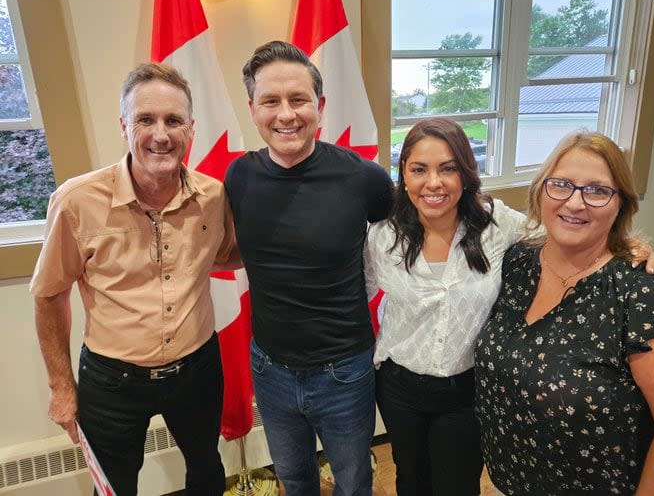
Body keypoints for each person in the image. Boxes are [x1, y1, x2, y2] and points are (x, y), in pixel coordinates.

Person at [363, 119, 654, 496]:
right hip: (398, 385)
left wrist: (630, 247)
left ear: (466, 174)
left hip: (466, 389)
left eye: (448, 168)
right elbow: (354, 293)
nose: (433, 183)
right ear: (403, 176)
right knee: (410, 476)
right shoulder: (382, 237)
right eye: (418, 169)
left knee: (456, 484)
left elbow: (564, 232)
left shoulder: (498, 224)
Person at [30, 63, 234, 496]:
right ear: (124, 126)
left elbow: (229, 254)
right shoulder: (76, 201)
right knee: (115, 486)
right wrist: (61, 387)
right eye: (146, 119)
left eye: (173, 120)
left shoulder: (214, 198)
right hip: (111, 381)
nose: (161, 134)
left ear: (191, 129)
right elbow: (49, 296)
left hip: (197, 369)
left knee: (206, 470)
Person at [225, 40, 393, 496]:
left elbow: (412, 236)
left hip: (345, 369)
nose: (286, 115)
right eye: (271, 102)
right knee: (294, 479)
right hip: (270, 367)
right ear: (253, 108)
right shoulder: (238, 177)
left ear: (319, 105)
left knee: (354, 481)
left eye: (298, 100)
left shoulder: (364, 179)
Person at [475, 131, 654, 495]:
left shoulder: (644, 296)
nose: (575, 203)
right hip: (511, 483)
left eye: (598, 190)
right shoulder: (516, 263)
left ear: (622, 204)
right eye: (561, 184)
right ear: (541, 191)